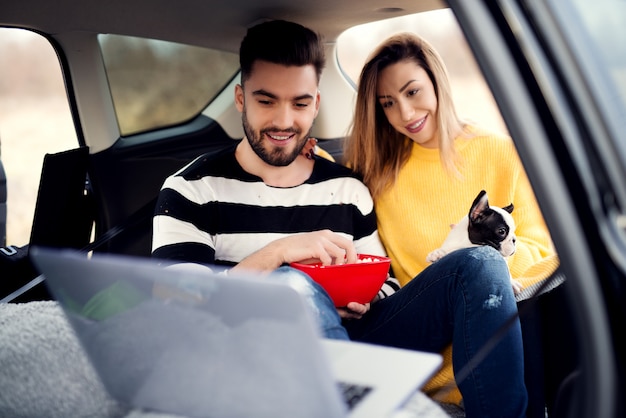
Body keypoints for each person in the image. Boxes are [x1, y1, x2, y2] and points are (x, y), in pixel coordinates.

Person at [152, 20, 528, 418]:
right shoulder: (191, 189)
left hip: (361, 338)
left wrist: (357, 301)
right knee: (290, 285)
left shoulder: (347, 188)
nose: (283, 121)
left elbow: (387, 285)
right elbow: (175, 308)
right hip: (249, 359)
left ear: (315, 104)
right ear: (241, 99)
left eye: (299, 103)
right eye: (266, 101)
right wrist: (278, 255)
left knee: (482, 262)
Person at [343, 32, 559, 415]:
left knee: (482, 263)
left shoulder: (501, 151)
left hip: (494, 357)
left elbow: (545, 255)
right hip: (414, 347)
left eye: (412, 92)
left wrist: (479, 258)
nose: (405, 115)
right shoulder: (377, 170)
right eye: (388, 104)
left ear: (437, 82)